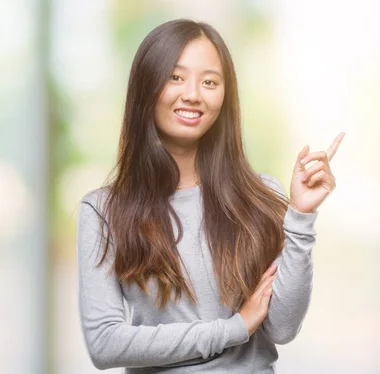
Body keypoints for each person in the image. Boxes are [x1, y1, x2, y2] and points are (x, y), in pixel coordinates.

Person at [76, 19, 344, 373]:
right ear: (146, 86)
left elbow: (282, 327)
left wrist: (301, 216)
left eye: (210, 82)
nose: (192, 94)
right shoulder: (103, 211)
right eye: (175, 77)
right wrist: (232, 330)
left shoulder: (260, 194)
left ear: (224, 97)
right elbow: (105, 344)